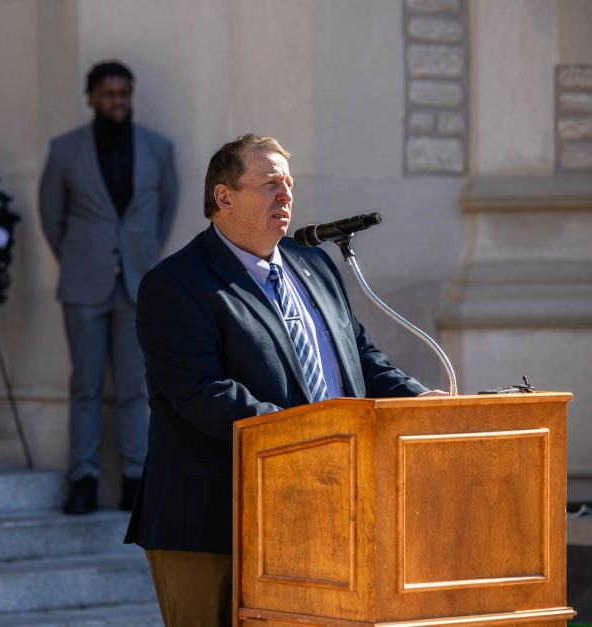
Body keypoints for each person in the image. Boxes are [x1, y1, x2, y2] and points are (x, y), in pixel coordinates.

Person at [124, 134, 445, 626]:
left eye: (289, 184)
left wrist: (420, 400)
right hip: (212, 521)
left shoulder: (312, 263)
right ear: (224, 197)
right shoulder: (176, 283)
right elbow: (203, 392)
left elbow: (358, 357)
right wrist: (320, 436)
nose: (286, 196)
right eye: (270, 184)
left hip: (322, 505)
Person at [39, 61, 179, 514]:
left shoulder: (159, 148)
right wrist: (81, 258)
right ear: (91, 97)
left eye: (123, 93)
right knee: (85, 385)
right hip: (84, 284)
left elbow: (167, 208)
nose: (117, 101)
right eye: (108, 93)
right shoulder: (64, 150)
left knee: (134, 389)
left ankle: (135, 480)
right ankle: (82, 479)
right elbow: (51, 216)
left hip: (140, 286)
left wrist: (143, 255)